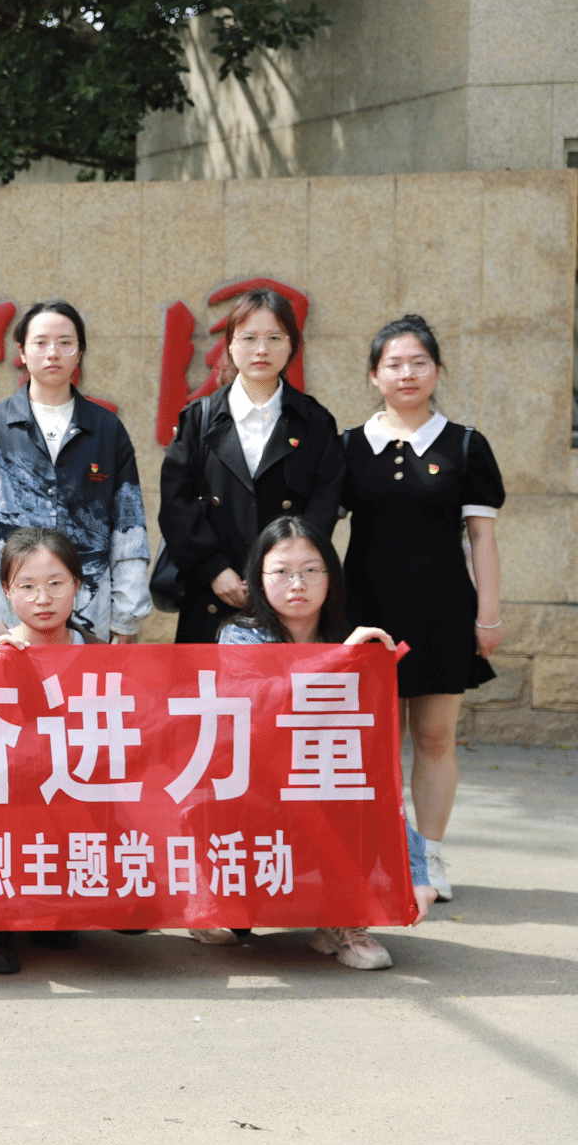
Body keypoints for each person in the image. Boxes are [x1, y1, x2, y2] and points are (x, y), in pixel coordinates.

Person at [215, 515, 440, 967]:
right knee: (233, 923)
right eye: (281, 571)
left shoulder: (354, 643)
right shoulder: (239, 635)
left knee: (353, 789)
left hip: (323, 786)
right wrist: (337, 661)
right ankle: (215, 902)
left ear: (331, 577)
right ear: (257, 577)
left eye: (311, 570)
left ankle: (343, 921)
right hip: (251, 794)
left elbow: (377, 773)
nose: (297, 583)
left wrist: (416, 868)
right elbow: (259, 708)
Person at [339, 314, 503, 901]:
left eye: (419, 363)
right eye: (394, 364)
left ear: (437, 370)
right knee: (374, 743)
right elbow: (318, 532)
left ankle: (428, 856)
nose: (406, 374)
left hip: (443, 612)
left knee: (434, 737)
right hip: (367, 612)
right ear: (373, 375)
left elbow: (482, 538)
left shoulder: (465, 445)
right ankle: (385, 852)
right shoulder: (350, 446)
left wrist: (488, 615)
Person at [0, 300, 150, 645]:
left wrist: (127, 614)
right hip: (10, 612)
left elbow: (128, 526)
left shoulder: (106, 429)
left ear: (80, 351)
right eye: (40, 343)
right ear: (22, 352)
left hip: (91, 607)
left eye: (65, 342)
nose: (52, 353)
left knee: (83, 681)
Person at [159, 287, 345, 643]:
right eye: (249, 338)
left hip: (290, 598)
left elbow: (324, 504)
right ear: (230, 345)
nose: (262, 350)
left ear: (292, 346)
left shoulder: (314, 422)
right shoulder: (199, 419)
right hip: (213, 591)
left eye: (275, 338)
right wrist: (214, 569)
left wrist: (287, 573)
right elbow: (175, 503)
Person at [0, 527, 96, 975]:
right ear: (6, 590)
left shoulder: (100, 654)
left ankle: (56, 909)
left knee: (136, 912)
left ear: (77, 584)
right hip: (7, 796)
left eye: (56, 584)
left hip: (75, 789)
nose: (43, 599)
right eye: (27, 586)